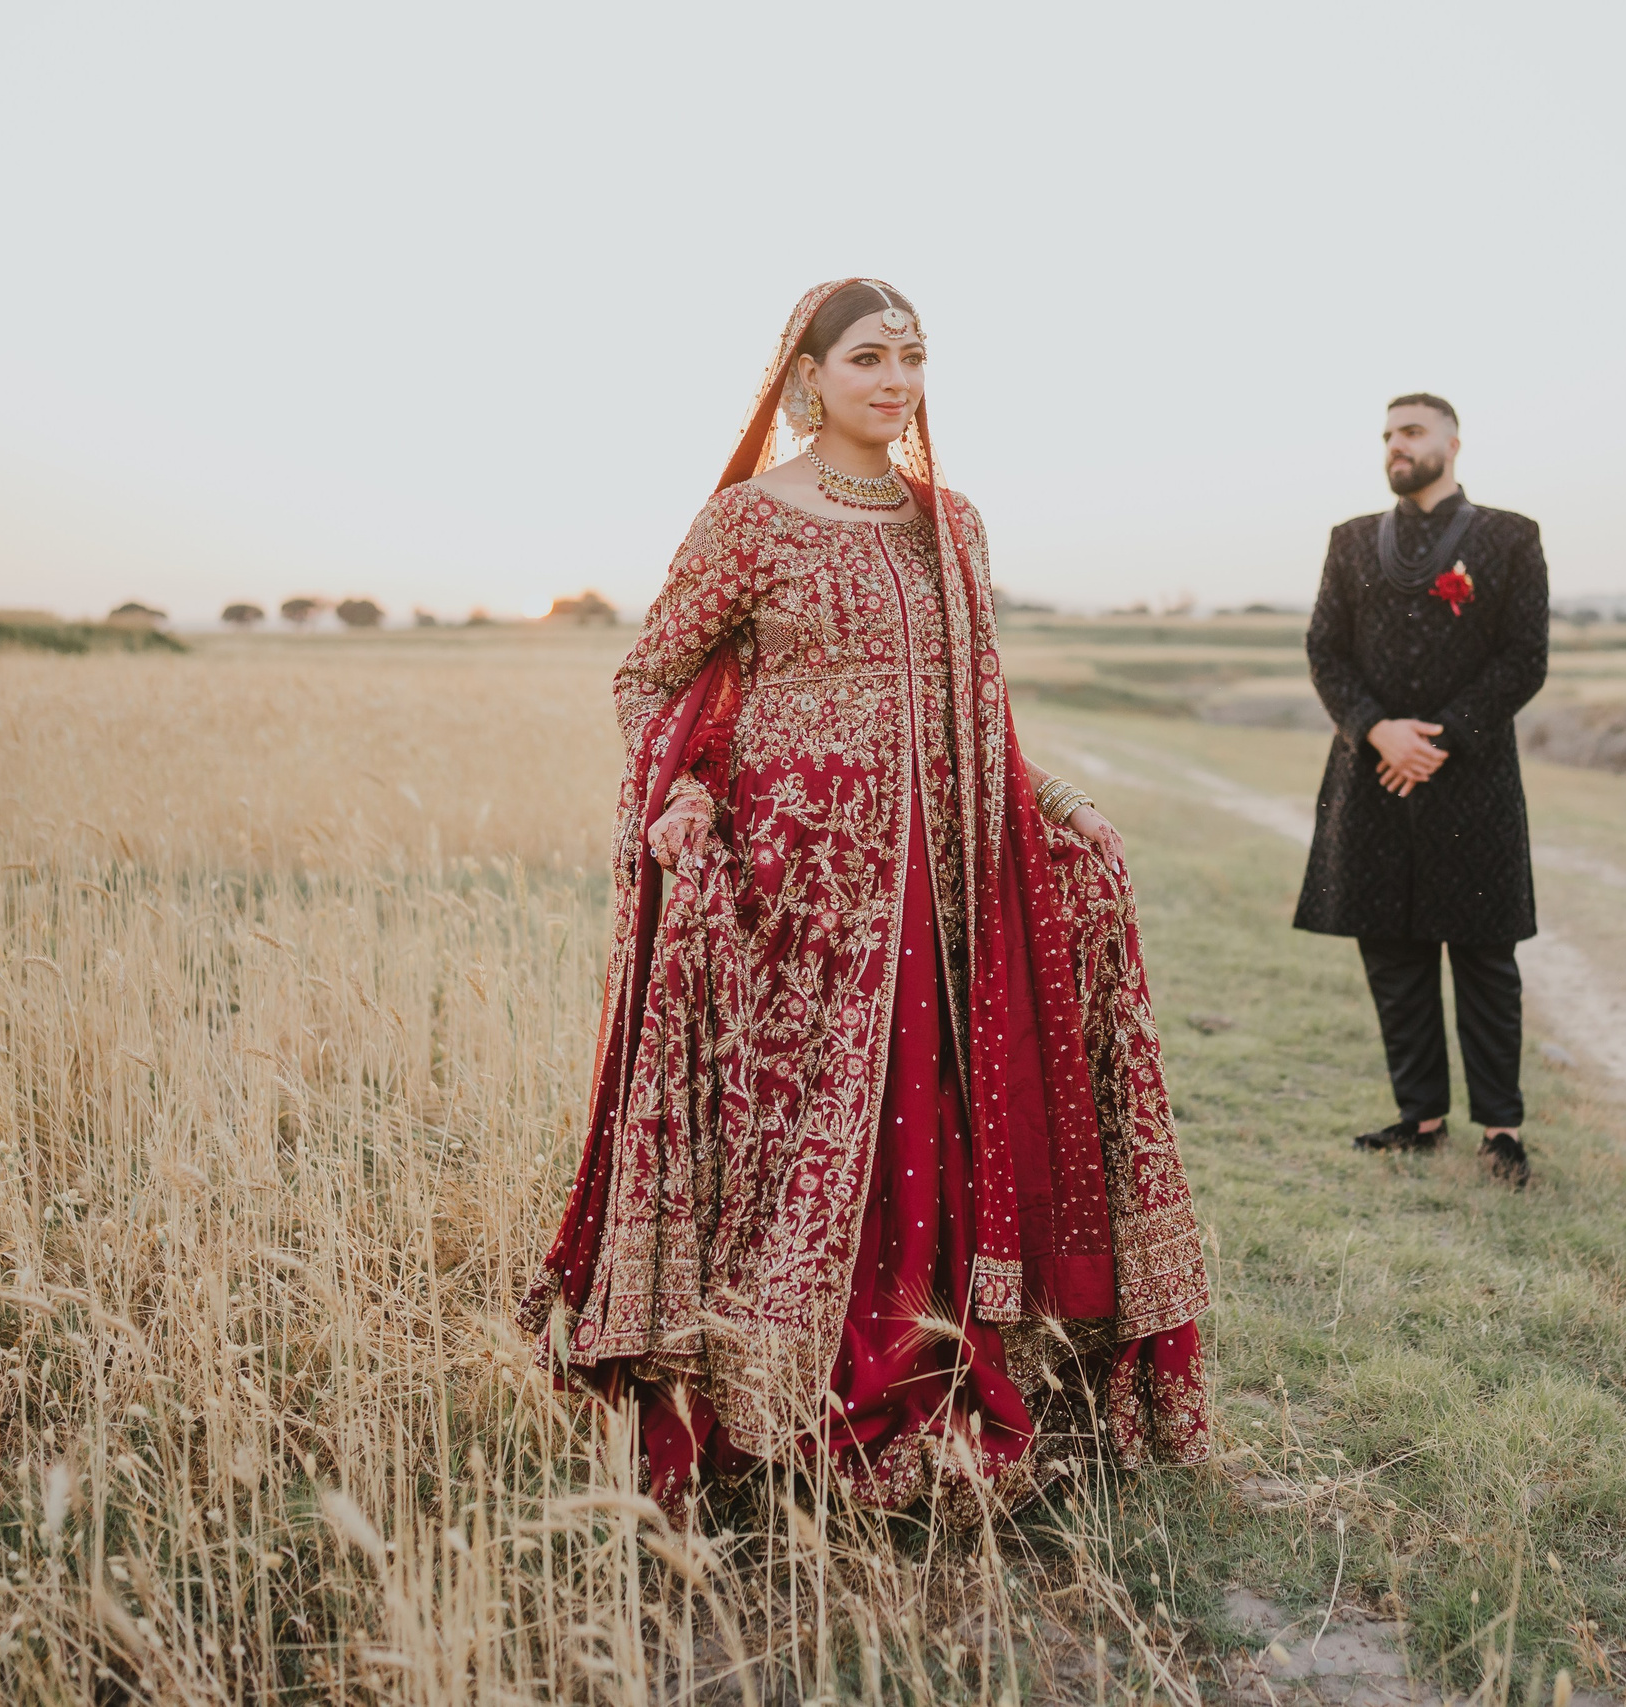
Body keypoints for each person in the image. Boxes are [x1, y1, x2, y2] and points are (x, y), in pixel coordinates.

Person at [516, 280, 1210, 1519]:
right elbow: (649, 678)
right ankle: (770, 1403)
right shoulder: (748, 522)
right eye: (869, 358)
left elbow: (972, 717)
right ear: (807, 377)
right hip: (801, 897)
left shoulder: (953, 525)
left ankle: (935, 1385)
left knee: (930, 1130)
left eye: (914, 359)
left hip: (942, 899)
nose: (896, 381)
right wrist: (678, 802)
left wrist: (1055, 808)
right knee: (802, 1152)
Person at [1292, 394, 1550, 1188]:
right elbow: (1325, 649)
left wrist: (1432, 738)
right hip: (1372, 773)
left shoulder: (1509, 537)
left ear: (1452, 442)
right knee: (1392, 951)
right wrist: (1377, 730)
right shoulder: (1351, 541)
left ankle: (1501, 1131)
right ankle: (1421, 1119)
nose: (1395, 446)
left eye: (1410, 432)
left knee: (1482, 955)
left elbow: (1523, 656)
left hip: (1469, 776)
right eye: (1388, 436)